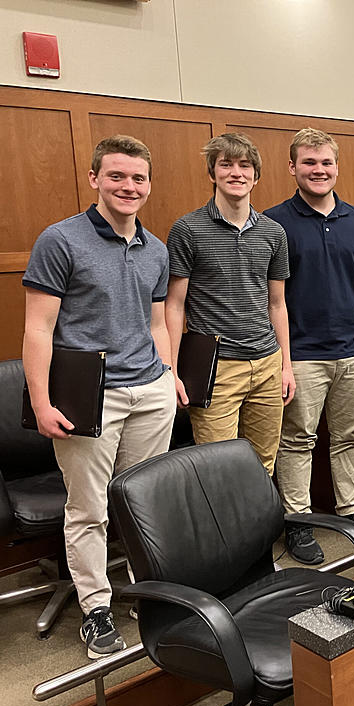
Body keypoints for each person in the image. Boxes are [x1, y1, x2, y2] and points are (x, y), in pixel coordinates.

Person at [22, 135, 176, 658]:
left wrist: (169, 375)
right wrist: (42, 403)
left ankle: (145, 594)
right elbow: (38, 330)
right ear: (94, 179)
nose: (128, 186)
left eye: (138, 178)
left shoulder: (156, 248)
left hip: (150, 392)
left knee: (143, 504)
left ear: (149, 184)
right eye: (116, 176)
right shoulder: (60, 241)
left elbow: (157, 321)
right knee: (89, 509)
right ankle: (97, 610)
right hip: (89, 397)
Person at [265, 129, 354, 561]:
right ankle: (297, 520)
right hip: (301, 353)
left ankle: (353, 510)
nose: (319, 171)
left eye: (326, 163)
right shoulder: (274, 222)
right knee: (297, 439)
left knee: (351, 435)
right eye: (310, 163)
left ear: (337, 167)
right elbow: (269, 291)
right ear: (292, 168)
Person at [166, 133, 294, 475]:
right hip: (216, 369)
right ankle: (220, 532)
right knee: (216, 470)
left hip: (267, 364)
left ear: (256, 175)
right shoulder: (187, 230)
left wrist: (286, 366)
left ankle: (259, 531)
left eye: (245, 165)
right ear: (212, 174)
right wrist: (173, 369)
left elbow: (277, 304)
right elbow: (174, 306)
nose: (236, 173)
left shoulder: (274, 233)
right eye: (226, 165)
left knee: (263, 466)